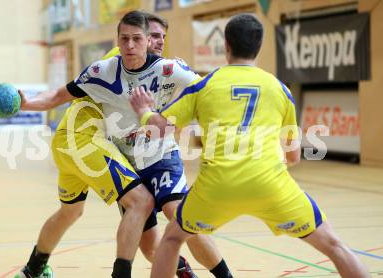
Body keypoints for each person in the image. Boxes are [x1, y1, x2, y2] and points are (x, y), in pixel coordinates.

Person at [129, 13, 370, 278]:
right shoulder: (280, 89)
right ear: (259, 46)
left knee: (173, 239)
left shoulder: (204, 85)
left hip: (217, 186)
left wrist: (143, 110)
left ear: (226, 45)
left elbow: (157, 130)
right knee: (335, 246)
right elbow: (293, 157)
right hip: (271, 184)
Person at [16, 10, 232, 278]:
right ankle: (185, 273)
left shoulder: (169, 69)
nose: (134, 44)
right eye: (127, 38)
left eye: (152, 38)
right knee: (149, 244)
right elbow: (58, 96)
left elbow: (206, 93)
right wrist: (27, 103)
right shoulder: (104, 70)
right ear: (118, 41)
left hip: (161, 155)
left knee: (179, 216)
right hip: (127, 159)